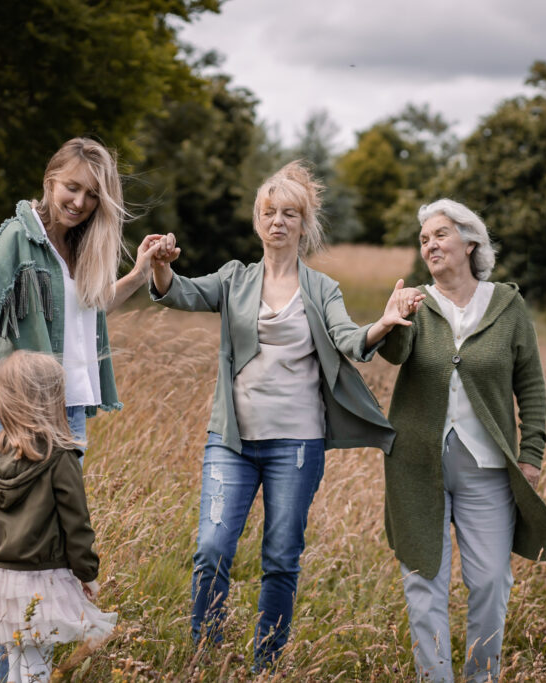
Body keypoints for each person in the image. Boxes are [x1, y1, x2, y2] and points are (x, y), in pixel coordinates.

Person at [148, 161, 407, 670]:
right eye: (269, 213)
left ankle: (265, 666)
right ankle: (205, 659)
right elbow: (178, 292)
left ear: (304, 225)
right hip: (232, 442)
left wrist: (384, 322)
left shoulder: (322, 288)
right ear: (257, 221)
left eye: (290, 214)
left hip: (297, 444)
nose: (278, 222)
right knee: (212, 549)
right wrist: (160, 264)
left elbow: (350, 340)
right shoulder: (234, 279)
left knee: (281, 560)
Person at [0, 137, 159, 679]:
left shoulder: (79, 243)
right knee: (17, 558)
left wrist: (139, 273)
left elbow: (89, 303)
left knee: (50, 555)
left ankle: (26, 670)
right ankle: (5, 673)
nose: (80, 202)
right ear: (49, 181)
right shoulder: (17, 238)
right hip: (23, 414)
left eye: (92, 195)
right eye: (72, 188)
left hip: (72, 413)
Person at [378, 199, 546, 682]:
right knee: (425, 582)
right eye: (424, 239)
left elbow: (531, 384)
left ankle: (480, 676)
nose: (430, 245)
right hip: (416, 467)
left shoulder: (508, 306)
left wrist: (531, 456)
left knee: (490, 581)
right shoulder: (417, 303)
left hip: (487, 467)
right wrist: (392, 319)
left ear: (470, 242)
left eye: (440, 234)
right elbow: (395, 353)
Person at [0, 350, 116, 683]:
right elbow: (77, 525)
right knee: (36, 667)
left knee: (17, 658)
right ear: (53, 400)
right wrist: (87, 573)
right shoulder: (61, 458)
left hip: (1, 577)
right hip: (43, 577)